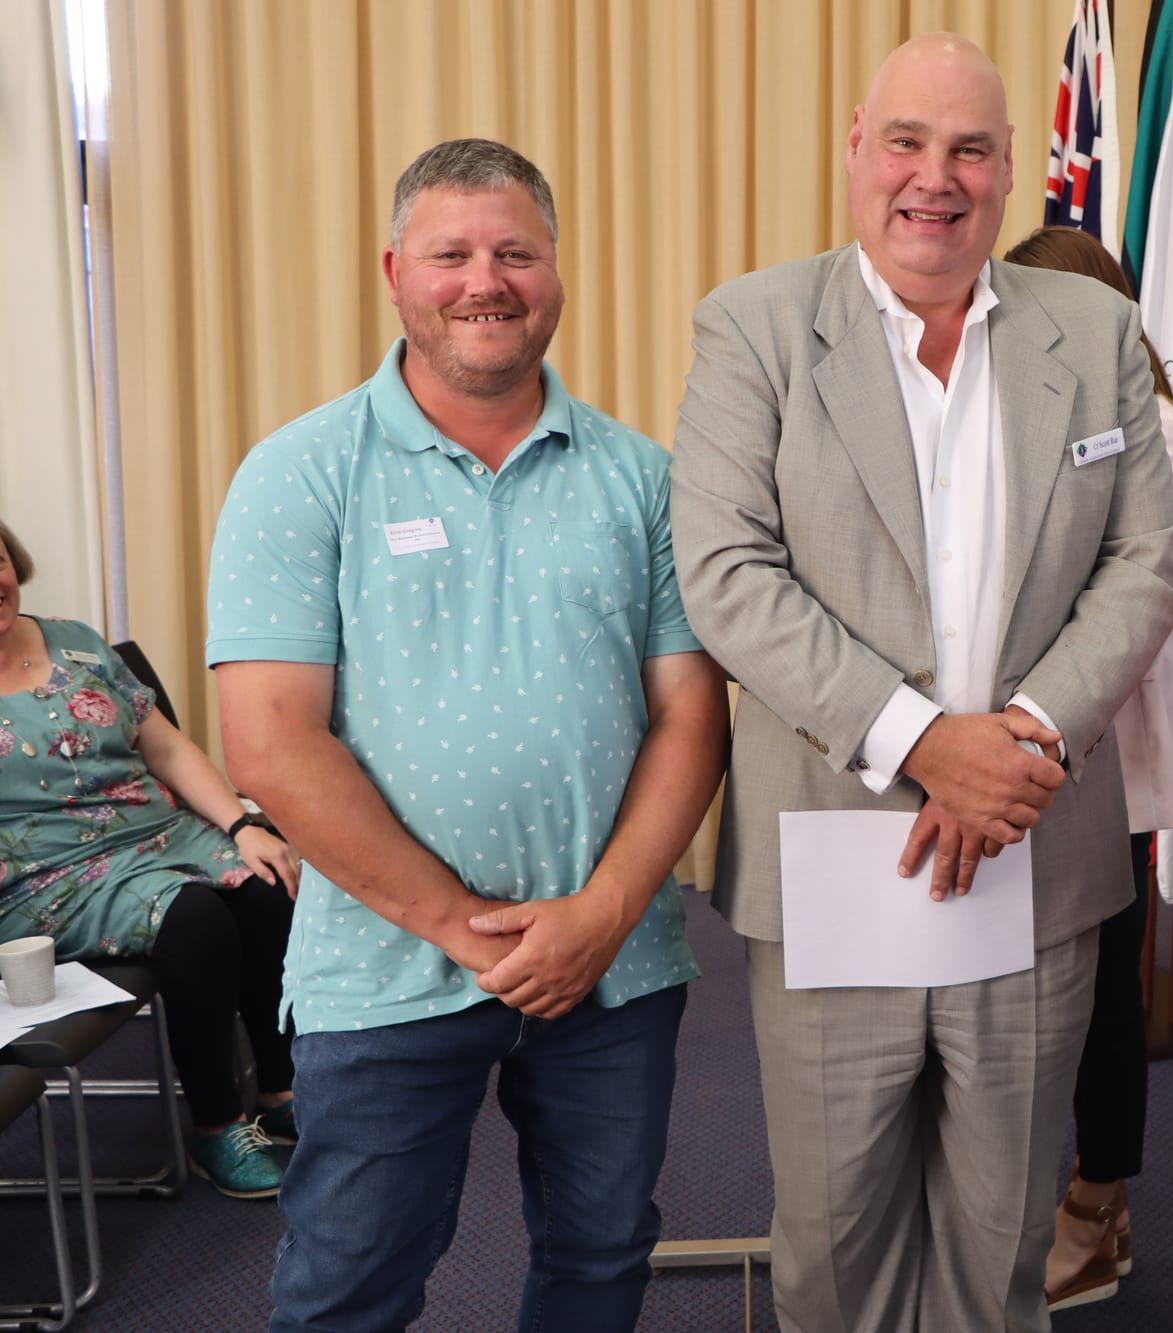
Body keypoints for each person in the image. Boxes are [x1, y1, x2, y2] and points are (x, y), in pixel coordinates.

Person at [670, 34, 1173, 1333]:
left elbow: (1144, 563)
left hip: (1034, 849)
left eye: (968, 150)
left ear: (1013, 169)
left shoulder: (1098, 329)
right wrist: (918, 741)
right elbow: (726, 573)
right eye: (907, 142)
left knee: (1003, 1234)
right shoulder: (757, 327)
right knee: (835, 1240)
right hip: (836, 862)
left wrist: (1009, 739)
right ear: (856, 145)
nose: (933, 178)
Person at [206, 138, 730, 1332]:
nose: (483, 279)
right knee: (350, 1278)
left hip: (613, 960)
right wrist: (464, 927)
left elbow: (691, 716)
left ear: (555, 274)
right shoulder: (300, 475)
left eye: (514, 253)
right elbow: (271, 745)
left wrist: (594, 920)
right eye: (451, 253)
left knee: (600, 1258)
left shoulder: (645, 479)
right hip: (384, 964)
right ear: (396, 269)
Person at [1002, 225, 1173, 1310]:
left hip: (1103, 764)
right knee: (1038, 994)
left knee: (1100, 1005)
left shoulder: (1159, 440)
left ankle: (1093, 1205)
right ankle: (1075, 1200)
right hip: (1025, 764)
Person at [0, 517, 300, 1198]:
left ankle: (281, 1094)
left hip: (155, 830)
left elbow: (163, 745)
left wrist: (239, 822)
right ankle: (217, 1125)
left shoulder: (73, 640)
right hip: (48, 876)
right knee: (195, 918)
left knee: (266, 880)